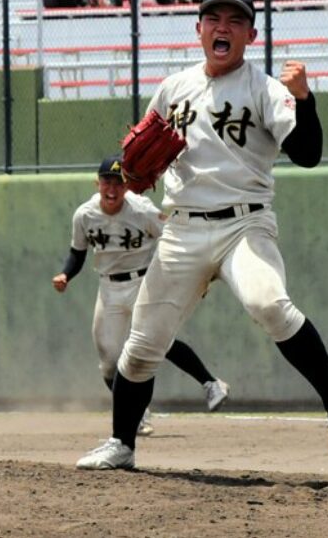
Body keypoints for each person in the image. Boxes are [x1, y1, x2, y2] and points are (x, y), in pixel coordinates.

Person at [75, 0, 328, 470]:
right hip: (182, 228)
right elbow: (141, 152)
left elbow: (309, 155)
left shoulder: (265, 88)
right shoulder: (173, 89)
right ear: (199, 29)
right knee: (142, 347)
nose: (223, 27)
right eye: (214, 18)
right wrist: (133, 172)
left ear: (250, 34)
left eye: (235, 20)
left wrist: (305, 100)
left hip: (244, 224)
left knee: (269, 304)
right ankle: (121, 445)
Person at [53, 155, 231, 436]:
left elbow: (172, 236)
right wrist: (65, 274)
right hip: (108, 288)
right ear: (97, 183)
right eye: (106, 182)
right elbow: (78, 252)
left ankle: (211, 384)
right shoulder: (84, 214)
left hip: (143, 282)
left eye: (118, 183)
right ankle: (138, 412)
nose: (112, 189)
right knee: (110, 362)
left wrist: (193, 275)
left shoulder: (141, 210)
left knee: (159, 341)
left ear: (127, 187)